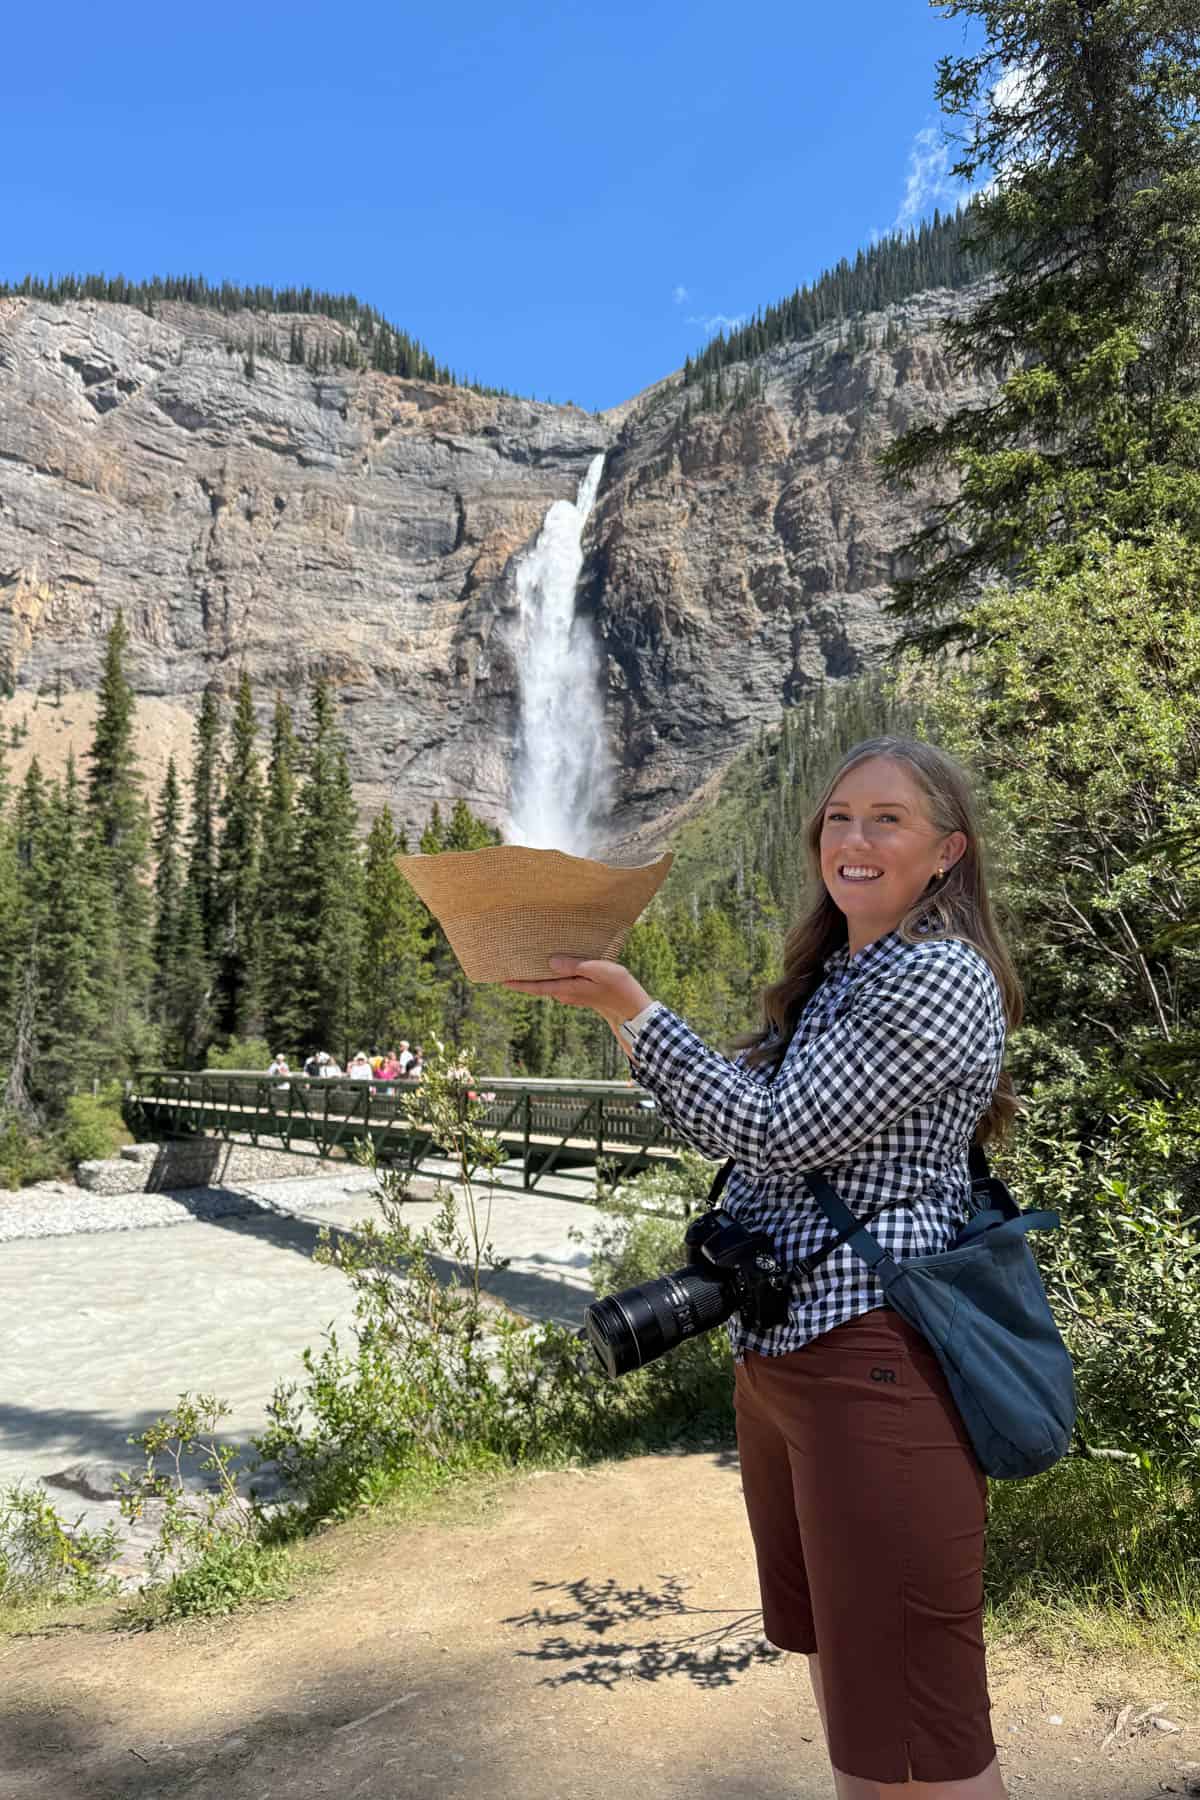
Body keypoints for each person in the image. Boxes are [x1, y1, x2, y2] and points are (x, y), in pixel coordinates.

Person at [505, 736, 1020, 1800]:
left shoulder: (935, 976)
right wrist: (607, 1003)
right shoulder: (844, 975)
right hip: (789, 1360)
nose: (854, 839)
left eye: (888, 818)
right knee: (854, 1689)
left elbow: (775, 1131)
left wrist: (632, 1011)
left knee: (922, 1725)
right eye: (837, 817)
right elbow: (736, 1113)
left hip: (876, 1359)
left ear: (946, 853)